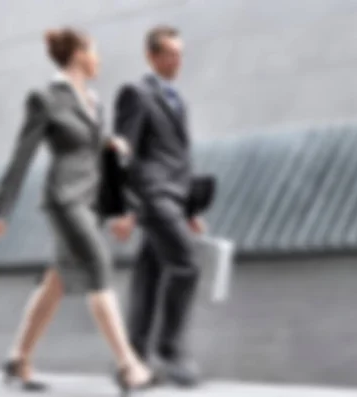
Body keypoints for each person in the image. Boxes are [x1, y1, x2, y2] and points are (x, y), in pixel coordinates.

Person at [0, 27, 158, 395]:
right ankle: (129, 367)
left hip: (91, 201)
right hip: (64, 200)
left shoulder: (93, 99)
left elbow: (98, 157)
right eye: (94, 52)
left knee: (57, 282)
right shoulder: (45, 99)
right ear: (78, 53)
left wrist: (120, 203)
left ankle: (18, 359)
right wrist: (1, 207)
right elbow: (23, 153)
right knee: (98, 265)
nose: (99, 59)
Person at [111, 25, 205, 387]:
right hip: (153, 196)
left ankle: (133, 360)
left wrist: (191, 210)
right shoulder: (136, 93)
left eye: (180, 54)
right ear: (151, 56)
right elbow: (123, 152)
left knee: (148, 278)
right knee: (186, 264)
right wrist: (123, 207)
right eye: (169, 54)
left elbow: (181, 158)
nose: (176, 61)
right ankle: (169, 348)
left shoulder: (178, 100)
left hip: (174, 198)